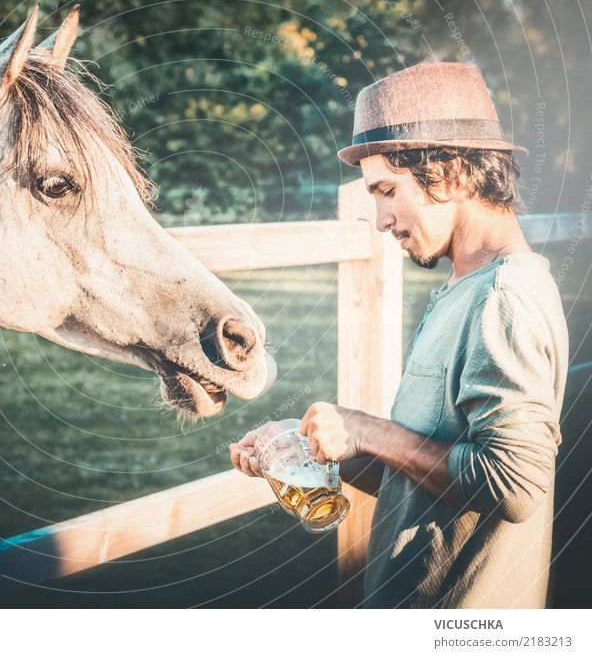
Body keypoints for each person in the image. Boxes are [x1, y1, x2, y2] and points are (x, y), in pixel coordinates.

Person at [230, 62, 569, 609]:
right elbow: (424, 480)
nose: (383, 219)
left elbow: (515, 485)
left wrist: (367, 427)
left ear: (453, 171)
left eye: (388, 190)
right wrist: (316, 447)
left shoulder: (504, 297)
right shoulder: (466, 287)